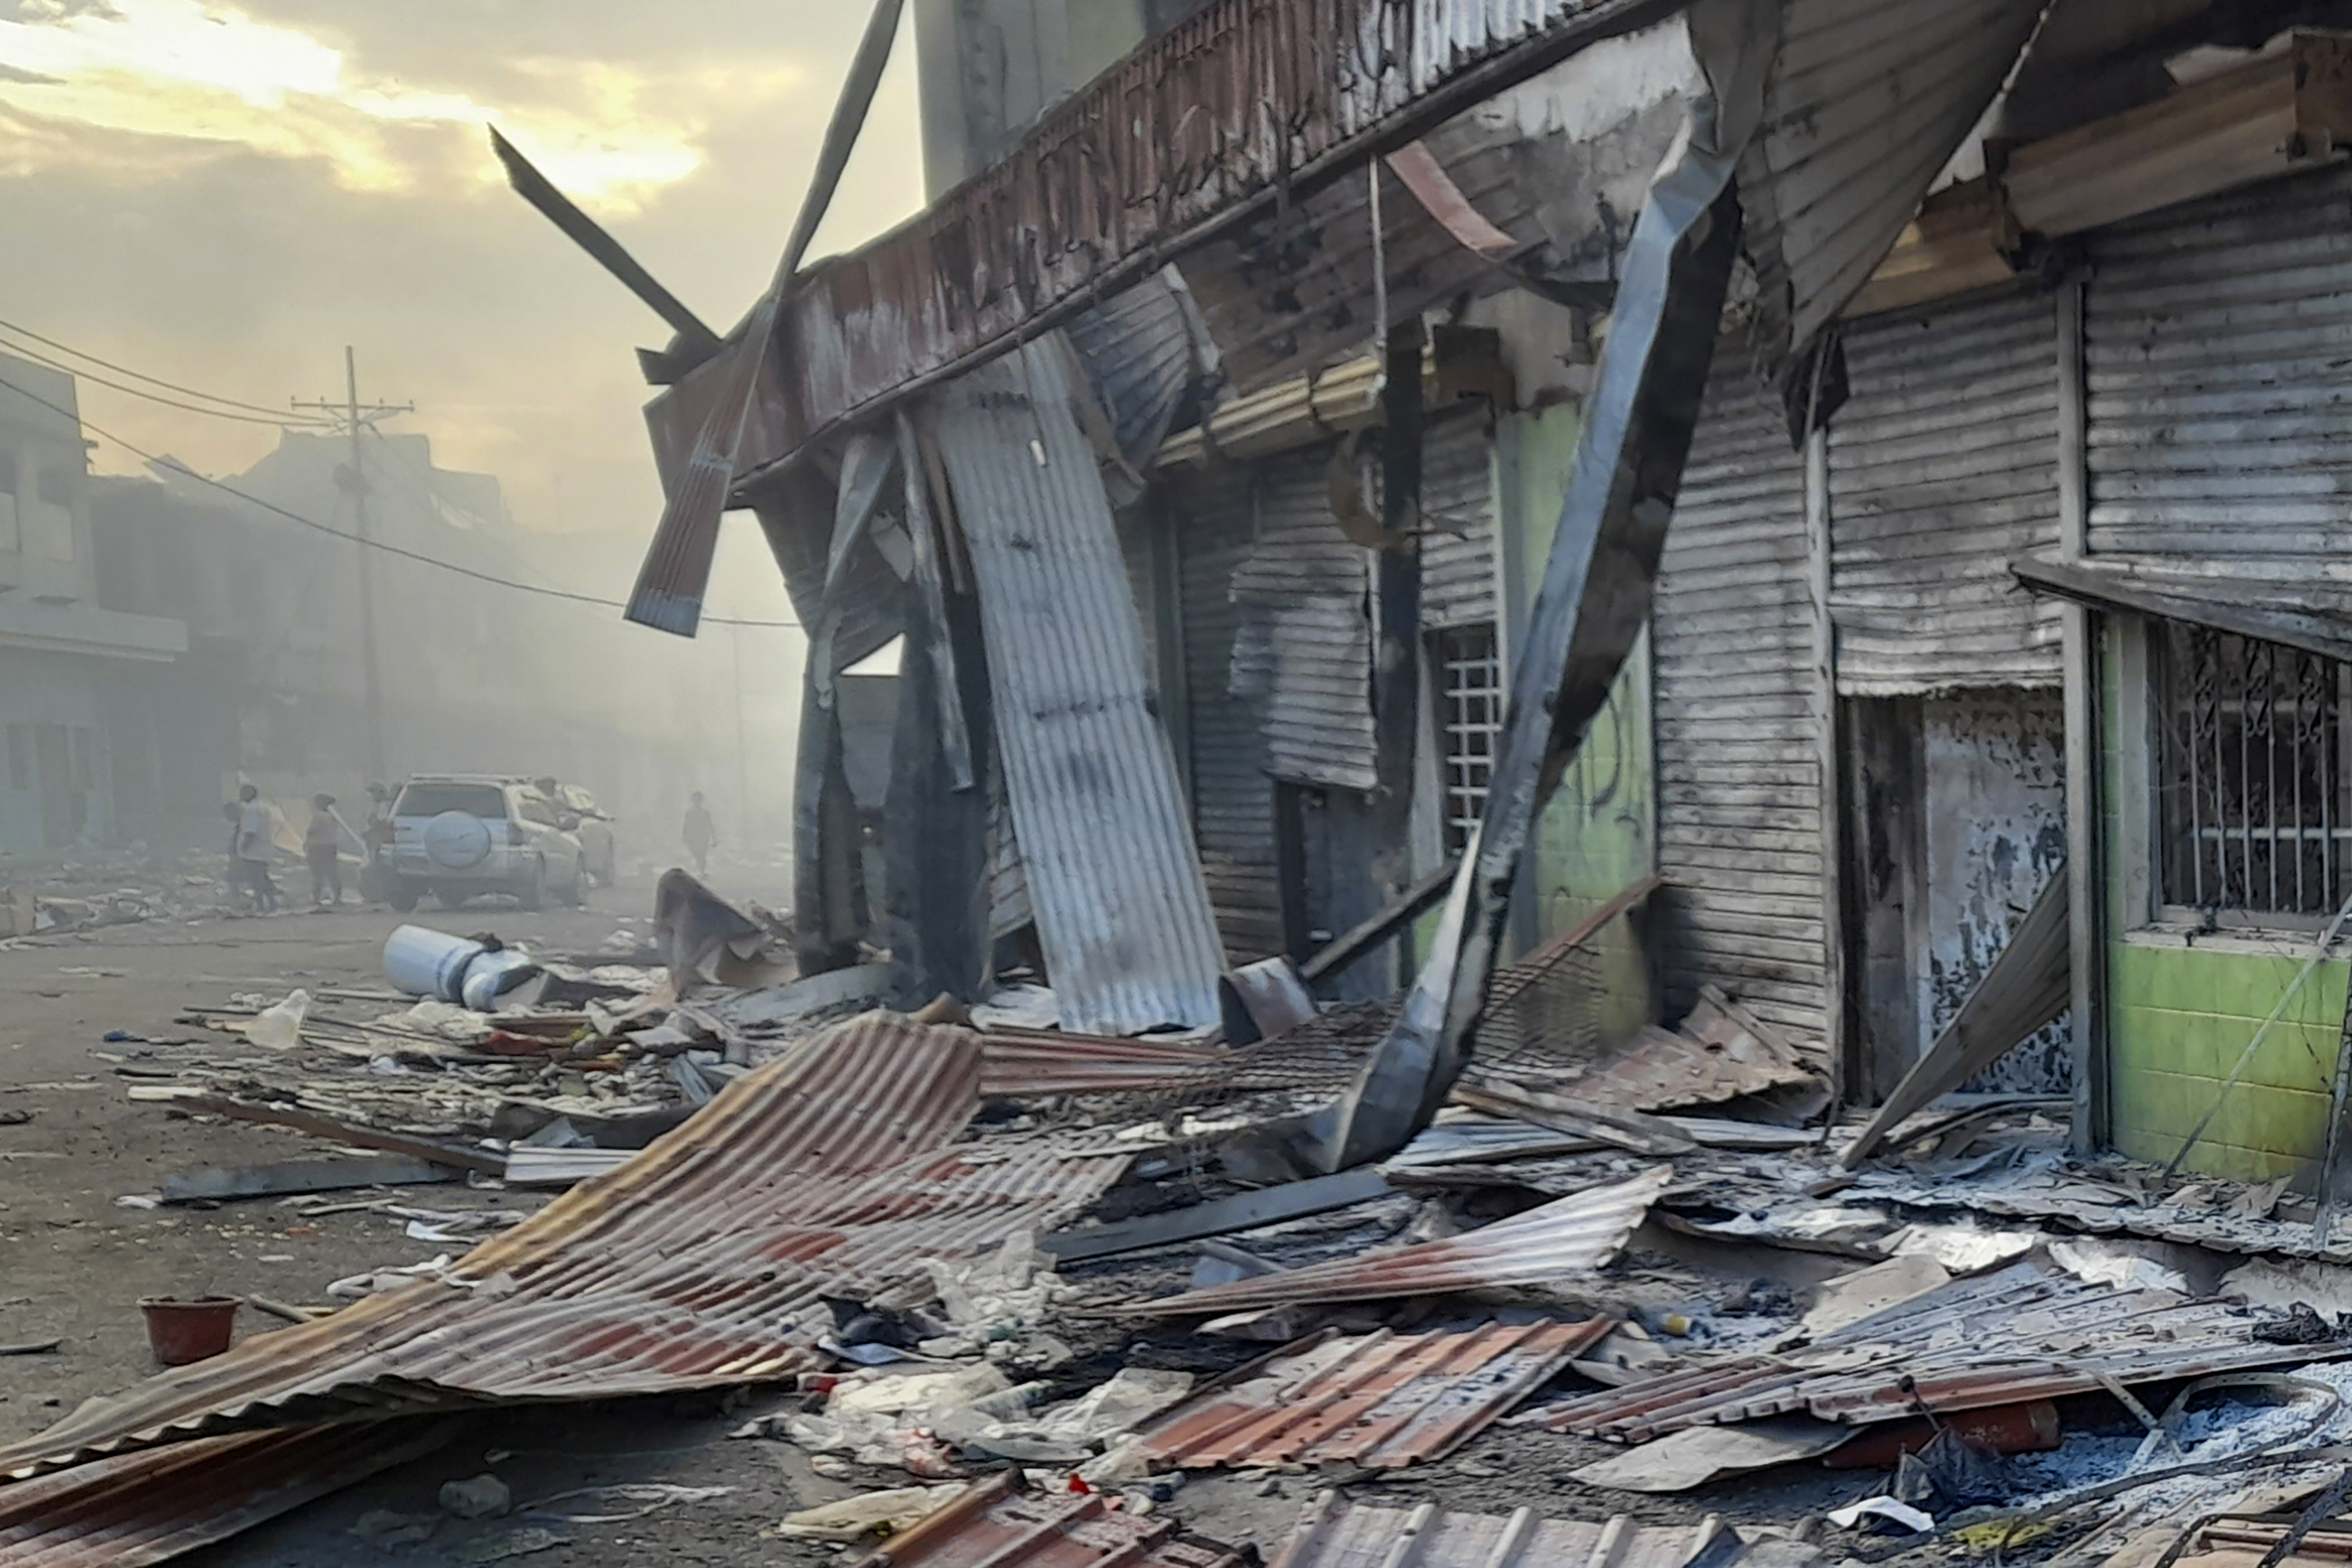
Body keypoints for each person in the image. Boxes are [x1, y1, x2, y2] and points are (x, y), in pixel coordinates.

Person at [232, 783, 278, 913]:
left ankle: (260, 905)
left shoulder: (251, 810)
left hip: (253, 851)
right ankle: (272, 902)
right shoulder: (264, 808)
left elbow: (250, 831)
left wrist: (242, 848)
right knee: (263, 877)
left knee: (256, 880)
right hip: (263, 849)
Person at [304, 793, 344, 909]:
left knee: (317, 874)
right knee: (332, 873)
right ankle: (337, 897)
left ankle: (316, 898)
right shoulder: (332, 817)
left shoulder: (318, 816)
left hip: (318, 847)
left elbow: (311, 831)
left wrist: (306, 844)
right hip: (330, 846)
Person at [682, 791, 716, 877]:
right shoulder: (689, 813)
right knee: (696, 853)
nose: (697, 802)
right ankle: (700, 868)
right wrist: (685, 835)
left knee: (702, 854)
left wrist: (713, 836)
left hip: (703, 836)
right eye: (695, 800)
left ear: (701, 801)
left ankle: (701, 871)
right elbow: (686, 824)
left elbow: (709, 824)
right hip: (693, 836)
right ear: (693, 800)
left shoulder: (705, 813)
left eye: (698, 800)